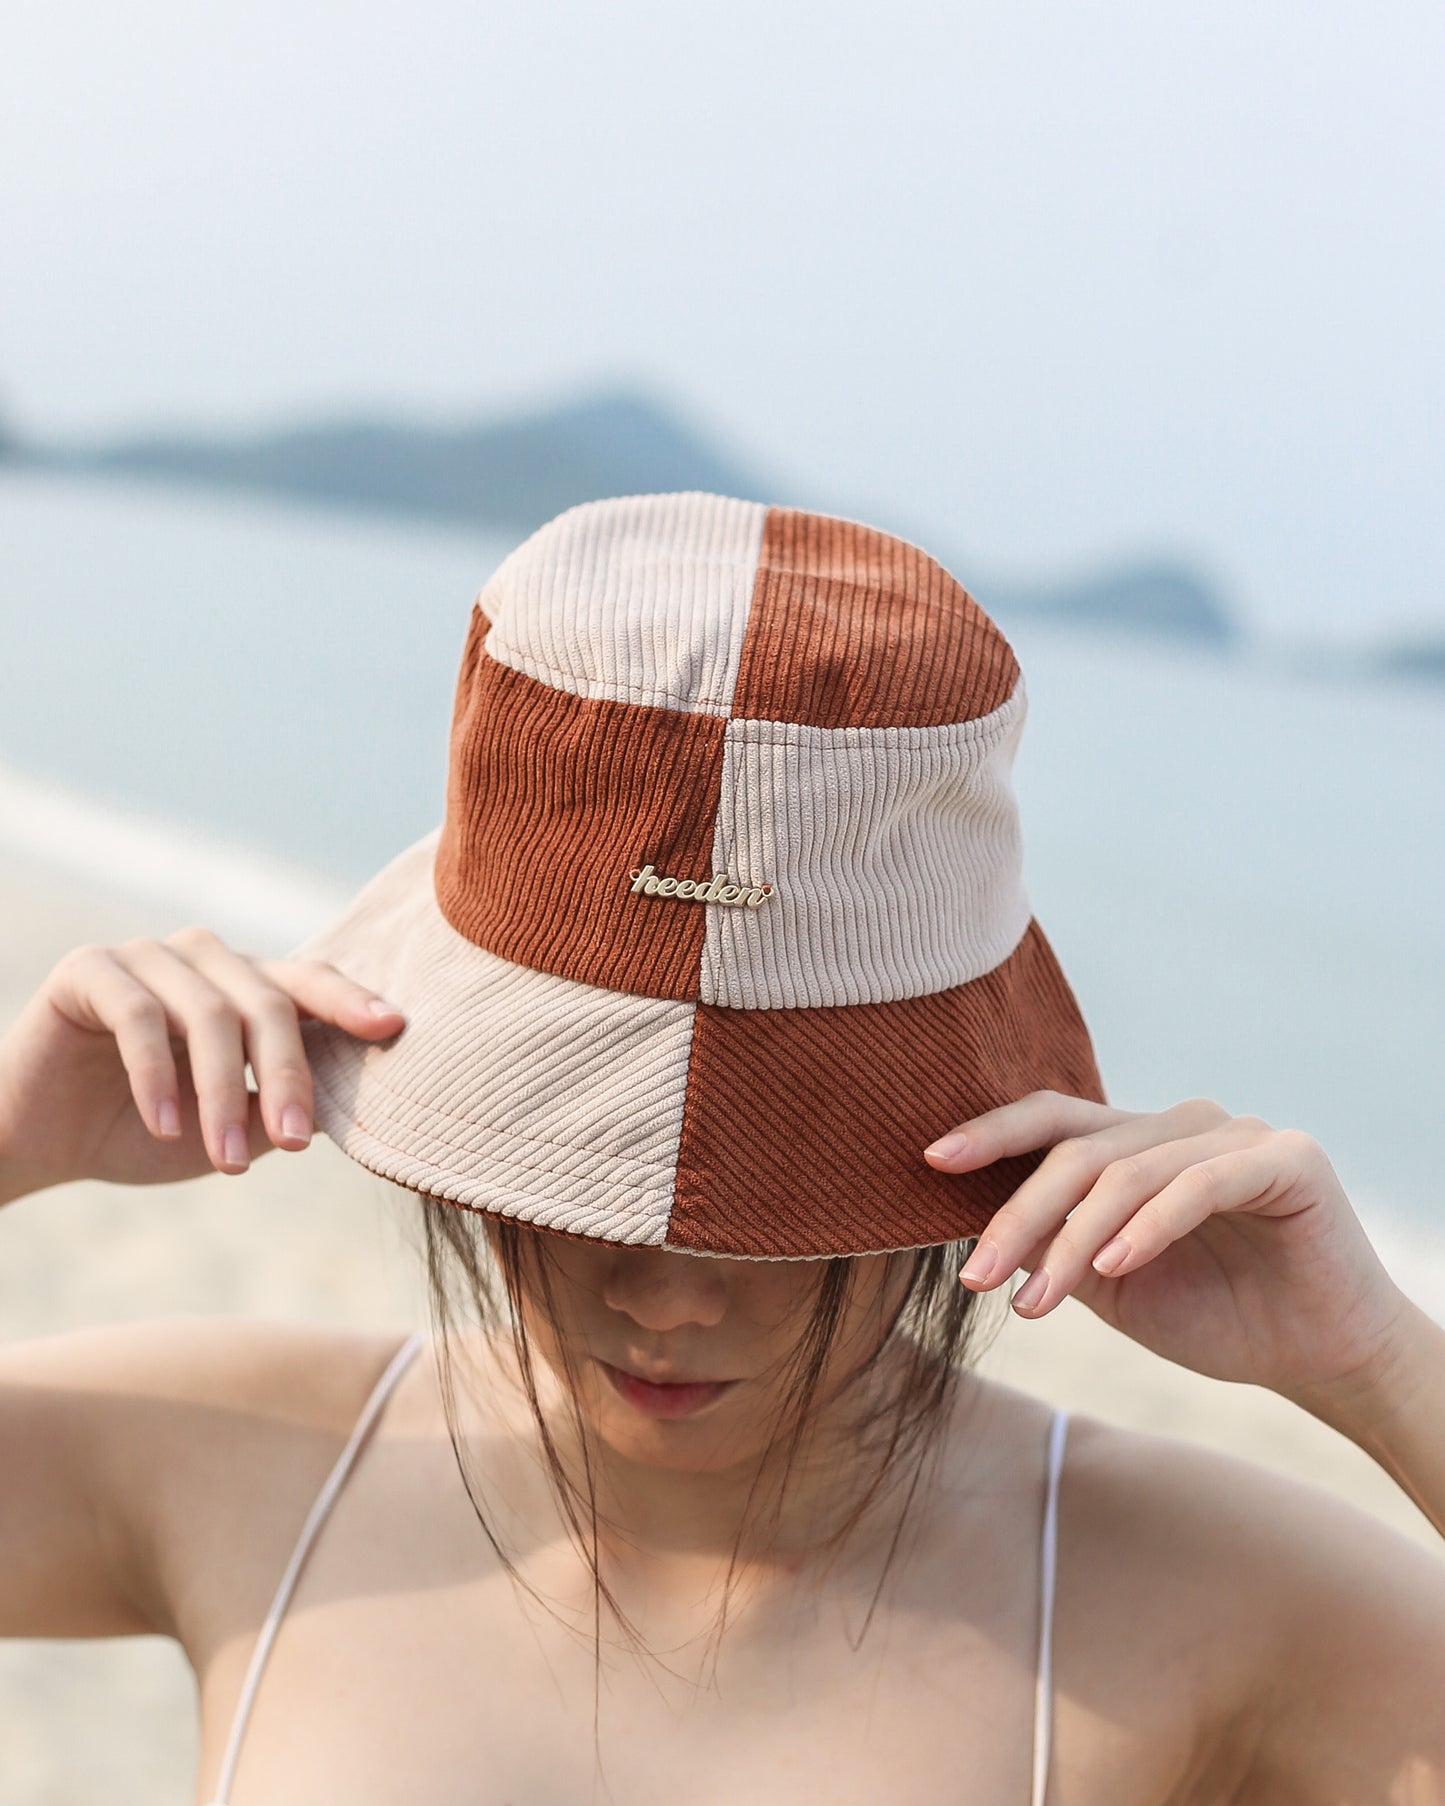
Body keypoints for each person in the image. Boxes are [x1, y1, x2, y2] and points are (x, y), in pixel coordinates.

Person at [1, 492, 1442, 1806]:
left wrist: (1376, 1360)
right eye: (575, 1158)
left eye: (779, 1196)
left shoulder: (1162, 1589)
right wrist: (16, 1132)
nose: (669, 1292)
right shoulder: (257, 1460)